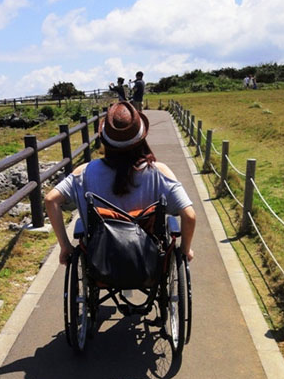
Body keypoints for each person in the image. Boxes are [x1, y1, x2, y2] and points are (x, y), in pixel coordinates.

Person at [45, 101, 196, 266]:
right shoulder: (159, 172)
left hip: (100, 263)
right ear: (141, 138)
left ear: (105, 140)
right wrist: (185, 249)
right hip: (148, 263)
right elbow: (189, 216)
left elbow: (51, 200)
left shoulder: (84, 173)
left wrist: (65, 246)